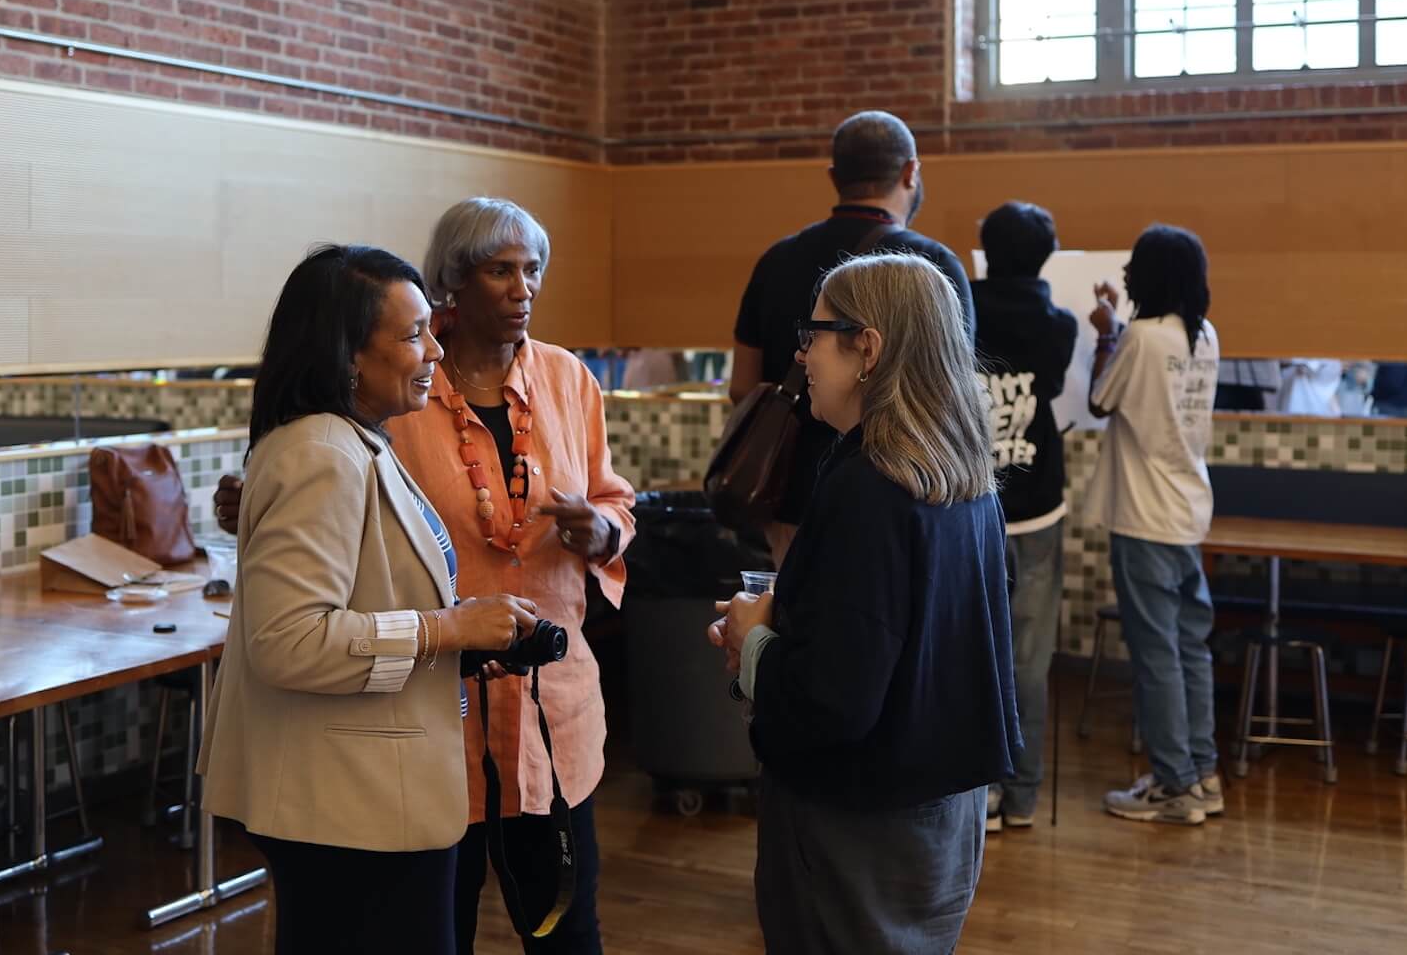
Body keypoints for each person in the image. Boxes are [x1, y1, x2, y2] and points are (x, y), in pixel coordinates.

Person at [217, 200, 637, 954]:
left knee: (568, 927)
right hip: (406, 741)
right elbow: (294, 628)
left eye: (532, 270)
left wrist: (601, 530)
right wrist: (454, 628)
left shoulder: (564, 382)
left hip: (542, 709)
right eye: (500, 270)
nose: (523, 288)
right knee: (441, 927)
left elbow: (614, 499)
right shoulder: (340, 441)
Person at [197, 244, 541, 955]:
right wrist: (446, 631)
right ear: (349, 353)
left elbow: (368, 598)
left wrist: (467, 643)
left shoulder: (360, 441)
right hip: (346, 808)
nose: (436, 351)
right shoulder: (321, 454)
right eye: (415, 334)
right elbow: (288, 642)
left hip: (366, 797)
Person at [711, 252, 1016, 954]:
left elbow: (834, 704)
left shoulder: (868, 486)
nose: (801, 353)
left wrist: (754, 642)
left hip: (858, 820)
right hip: (943, 809)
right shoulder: (962, 475)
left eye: (814, 334)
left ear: (867, 348)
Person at [730, 111, 975, 564]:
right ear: (910, 172)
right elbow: (950, 393)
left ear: (834, 177)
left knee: (796, 626)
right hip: (907, 496)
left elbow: (742, 387)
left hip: (790, 496)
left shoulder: (777, 260)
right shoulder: (933, 268)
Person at [1082, 225, 1222, 826]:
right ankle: (1202, 774)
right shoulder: (1204, 334)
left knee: (1156, 654)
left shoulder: (1141, 336)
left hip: (1144, 516)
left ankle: (1172, 786)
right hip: (1189, 511)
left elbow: (1099, 401)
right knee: (1190, 648)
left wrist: (1107, 333)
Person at [971, 202, 1077, 832]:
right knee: (1028, 661)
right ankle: (1024, 795)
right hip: (1039, 504)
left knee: (972, 653)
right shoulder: (1057, 326)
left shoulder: (960, 317)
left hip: (971, 506)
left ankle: (977, 793)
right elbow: (1056, 389)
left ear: (985, 252)